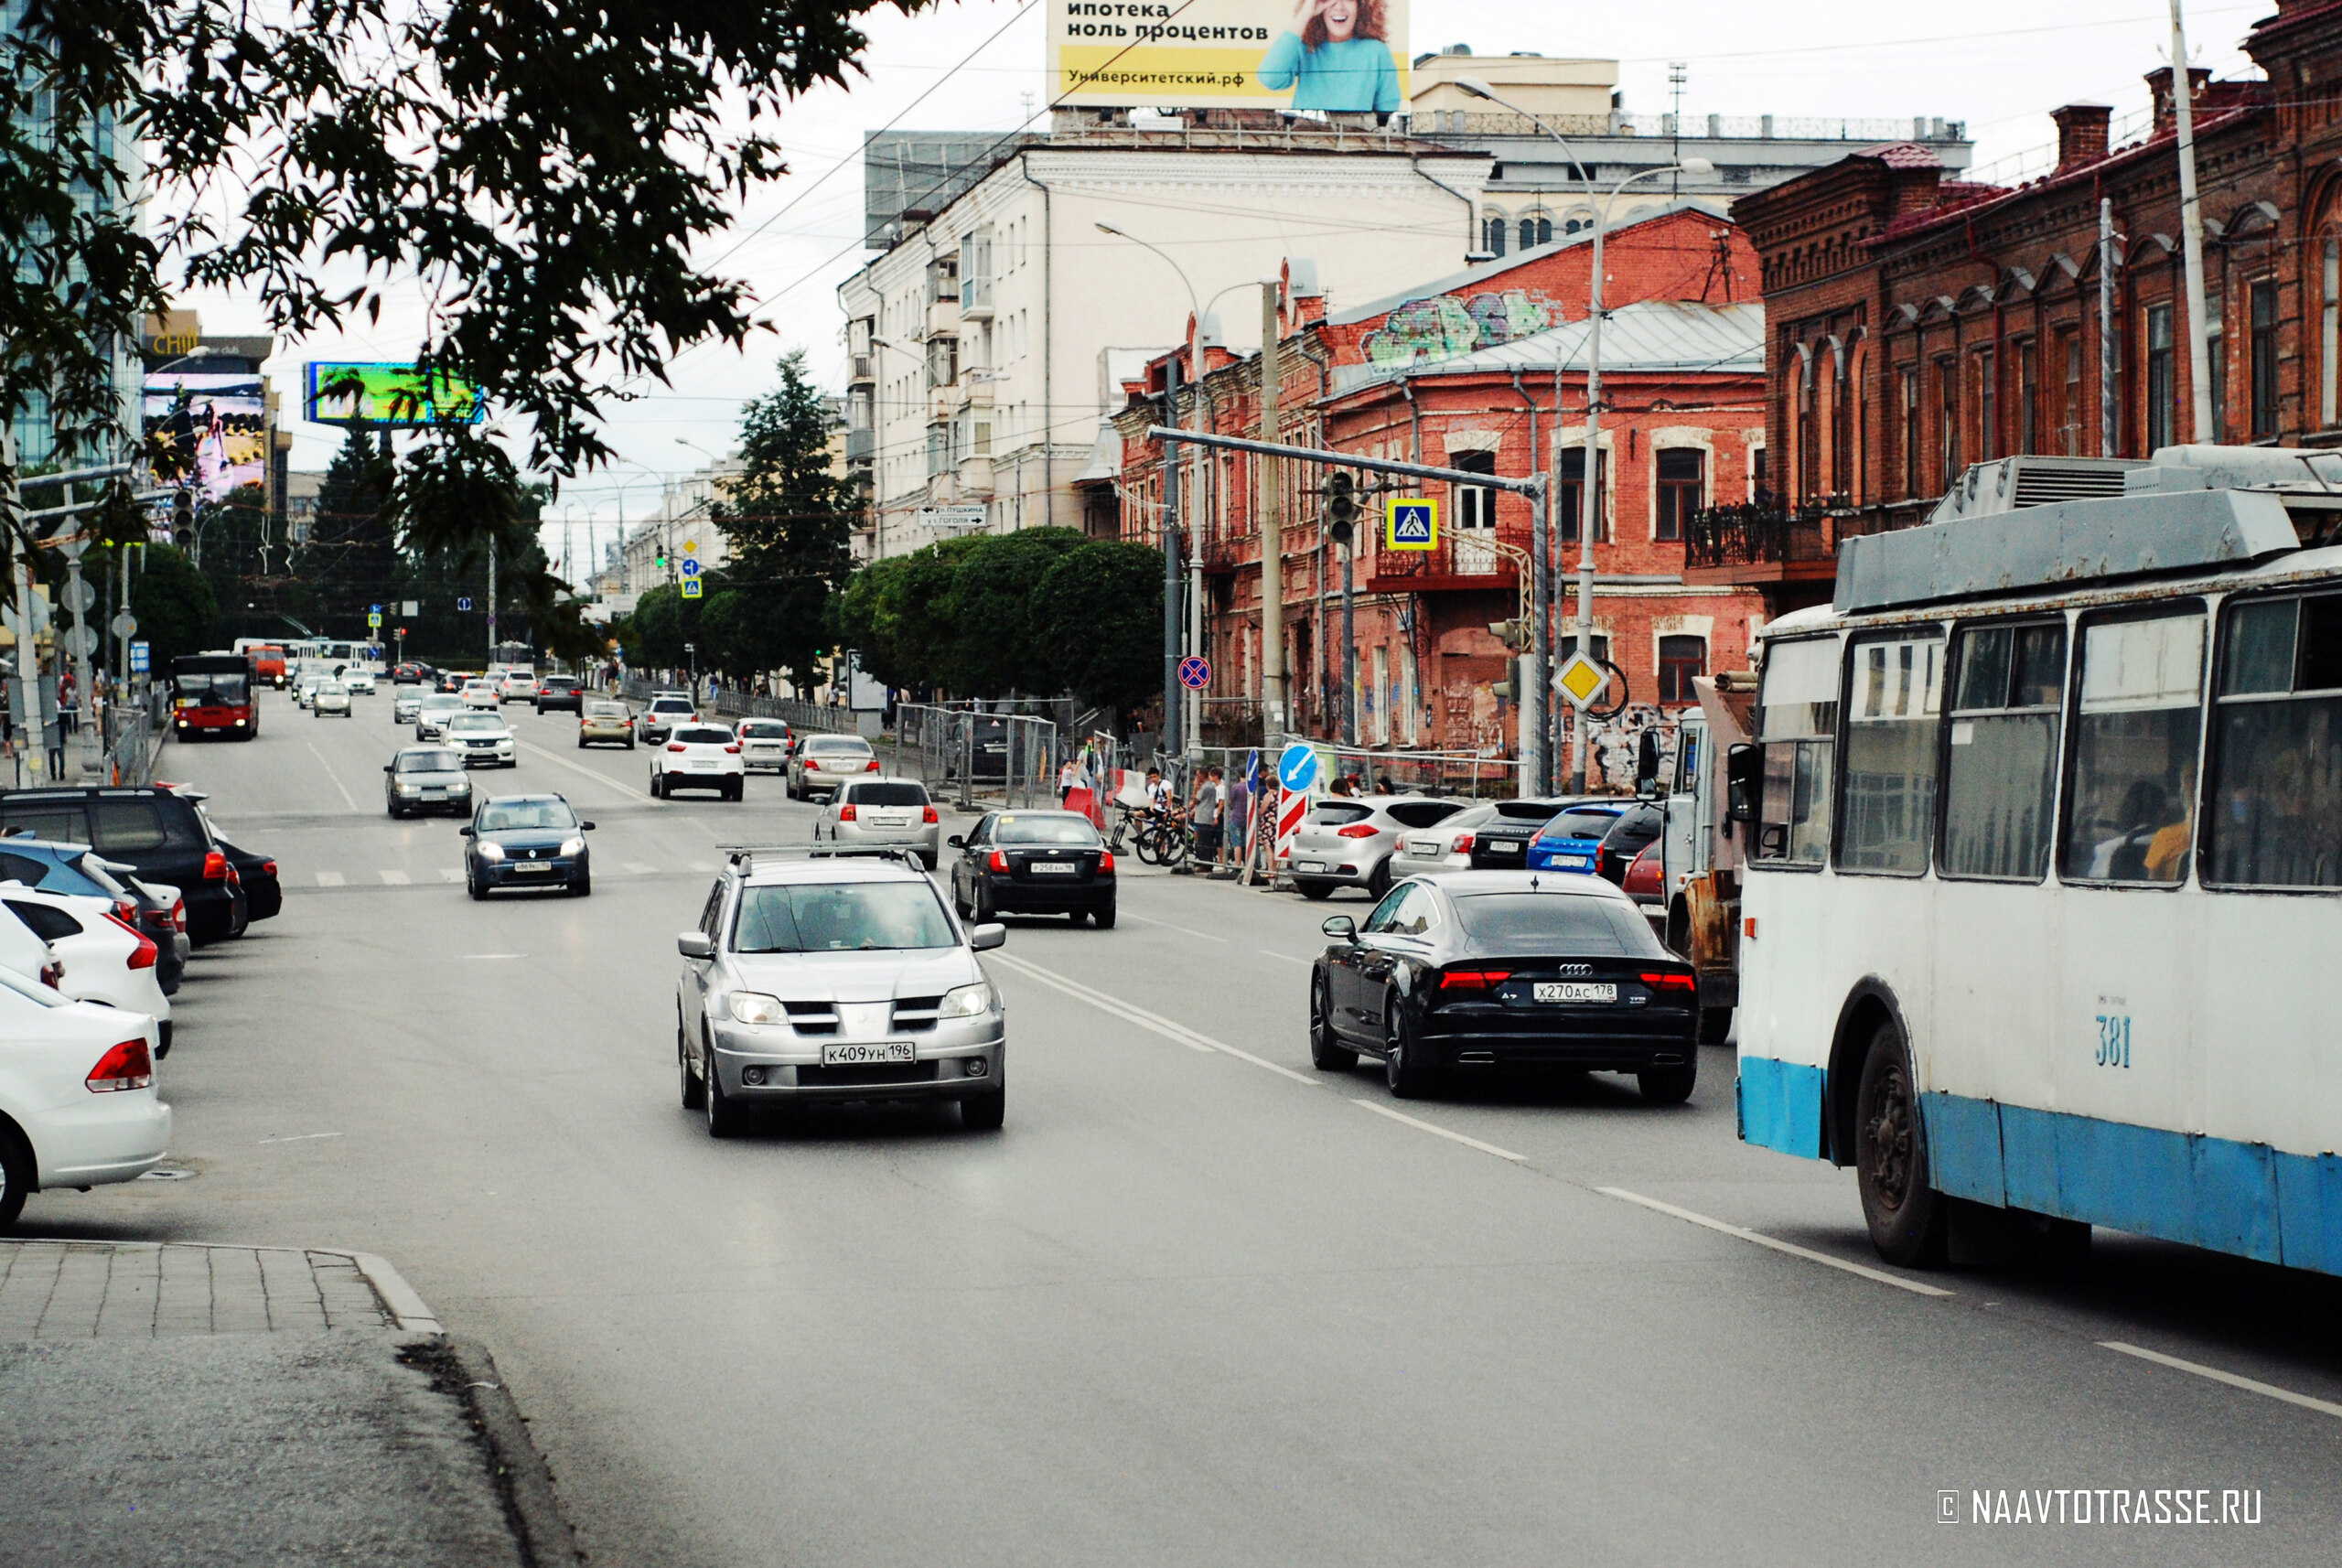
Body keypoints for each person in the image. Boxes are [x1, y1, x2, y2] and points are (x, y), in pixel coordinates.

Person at [1256, 0, 1401, 114]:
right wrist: (1305, 14)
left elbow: (1387, 111)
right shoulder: (1305, 47)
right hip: (1306, 143)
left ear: (1361, 6)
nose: (1339, 7)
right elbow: (1270, 79)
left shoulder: (1376, 51)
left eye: (1349, 0)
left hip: (1356, 145)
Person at [1190, 767, 1224, 865]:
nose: (1196, 777)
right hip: (1208, 815)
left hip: (1203, 816)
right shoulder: (1211, 786)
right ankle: (1206, 862)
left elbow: (1196, 799)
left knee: (1202, 842)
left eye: (1198, 774)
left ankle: (1204, 863)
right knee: (1206, 841)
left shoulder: (1205, 787)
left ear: (1202, 775)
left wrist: (1196, 788)